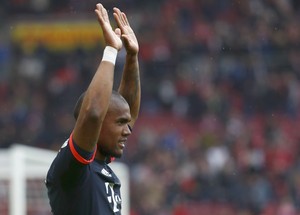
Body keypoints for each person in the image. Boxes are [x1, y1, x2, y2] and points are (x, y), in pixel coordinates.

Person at [45, 3, 140, 215]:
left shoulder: (101, 161)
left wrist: (132, 58)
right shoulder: (73, 169)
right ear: (96, 127)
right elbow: (94, 113)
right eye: (120, 123)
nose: (128, 129)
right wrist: (110, 51)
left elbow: (124, 110)